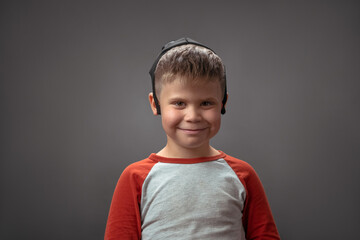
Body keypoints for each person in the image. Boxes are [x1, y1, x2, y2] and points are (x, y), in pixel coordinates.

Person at [104, 37, 280, 240]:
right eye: (179, 103)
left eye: (206, 103)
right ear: (156, 104)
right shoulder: (135, 178)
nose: (193, 116)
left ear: (223, 103)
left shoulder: (243, 176)